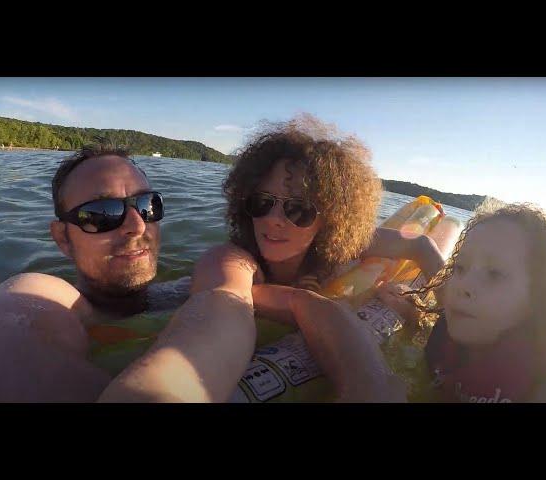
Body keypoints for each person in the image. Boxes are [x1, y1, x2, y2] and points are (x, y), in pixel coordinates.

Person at [0, 144, 257, 402]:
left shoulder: (185, 290)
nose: (138, 226)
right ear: (62, 238)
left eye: (147, 205)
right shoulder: (51, 296)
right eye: (103, 214)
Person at [190, 114, 444, 401]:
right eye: (261, 202)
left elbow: (421, 246)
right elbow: (221, 296)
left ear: (331, 220)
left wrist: (437, 319)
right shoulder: (237, 259)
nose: (273, 220)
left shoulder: (340, 246)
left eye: (298, 209)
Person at [376, 200, 546, 402]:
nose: (464, 284)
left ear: (540, 298)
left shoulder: (544, 387)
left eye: (495, 274)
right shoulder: (465, 308)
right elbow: (421, 248)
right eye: (459, 267)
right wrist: (414, 316)